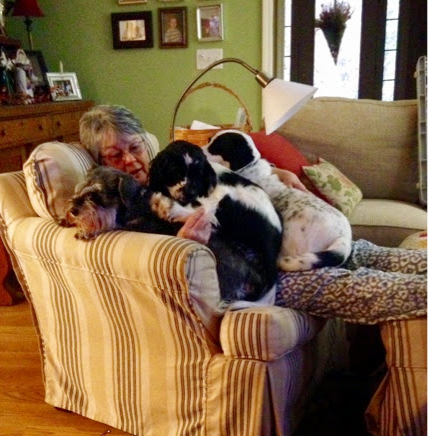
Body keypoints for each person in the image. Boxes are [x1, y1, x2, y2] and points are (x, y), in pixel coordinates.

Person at [79, 104, 427, 325]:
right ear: (99, 161)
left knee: (363, 251)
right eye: (115, 155)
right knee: (350, 285)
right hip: (259, 273)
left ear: (145, 142)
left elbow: (230, 173)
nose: (130, 160)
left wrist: (276, 171)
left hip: (278, 242)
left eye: (134, 147)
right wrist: (184, 245)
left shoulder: (165, 168)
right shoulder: (121, 204)